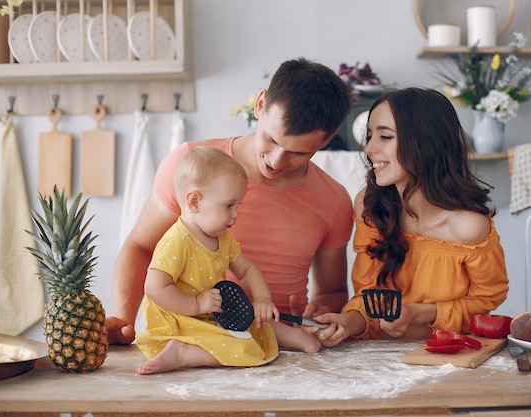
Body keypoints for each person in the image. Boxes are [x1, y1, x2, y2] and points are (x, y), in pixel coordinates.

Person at [109, 57, 353, 345]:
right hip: (195, 339)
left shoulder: (334, 200)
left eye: (299, 153)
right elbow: (141, 247)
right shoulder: (191, 166)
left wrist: (323, 313)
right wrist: (124, 323)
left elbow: (332, 292)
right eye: (272, 140)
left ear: (328, 139)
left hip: (286, 347)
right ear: (260, 104)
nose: (276, 161)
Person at [313, 87, 509, 347]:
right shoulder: (369, 206)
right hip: (378, 360)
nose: (369, 148)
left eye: (385, 136)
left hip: (450, 359)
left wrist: (419, 313)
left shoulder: (468, 227)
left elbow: (485, 303)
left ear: (425, 142)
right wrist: (347, 322)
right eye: (369, 136)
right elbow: (368, 298)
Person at [136, 147, 321, 375]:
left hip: (212, 313)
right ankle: (183, 352)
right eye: (229, 206)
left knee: (257, 320)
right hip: (180, 320)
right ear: (194, 202)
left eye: (238, 206)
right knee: (243, 347)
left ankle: (298, 336)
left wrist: (262, 299)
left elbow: (247, 270)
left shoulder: (221, 238)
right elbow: (154, 288)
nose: (236, 214)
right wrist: (196, 304)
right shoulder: (177, 241)